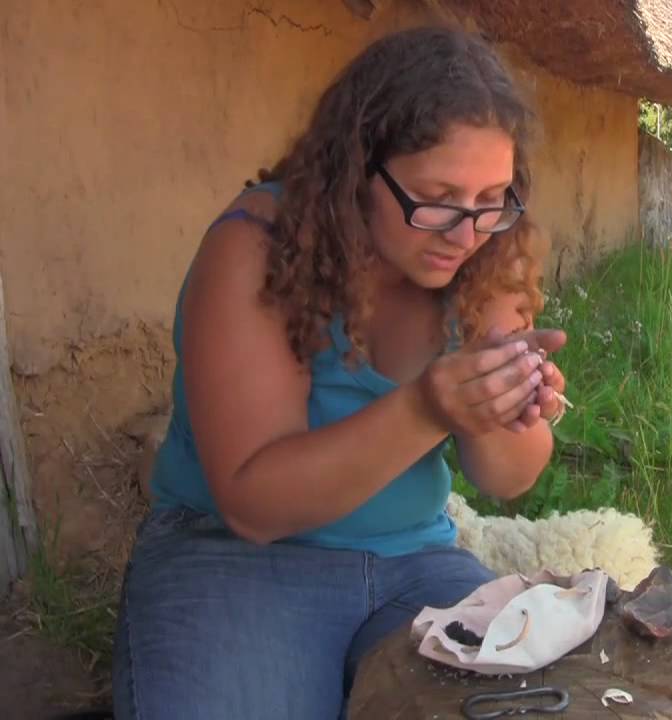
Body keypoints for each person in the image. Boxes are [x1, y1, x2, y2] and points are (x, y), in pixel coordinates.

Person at [111, 26, 568, 719]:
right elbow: (254, 506)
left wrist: (509, 406)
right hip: (233, 557)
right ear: (357, 171)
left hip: (415, 562)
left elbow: (508, 477)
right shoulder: (257, 248)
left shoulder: (483, 255)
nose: (465, 231)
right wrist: (428, 408)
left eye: (490, 199)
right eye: (438, 197)